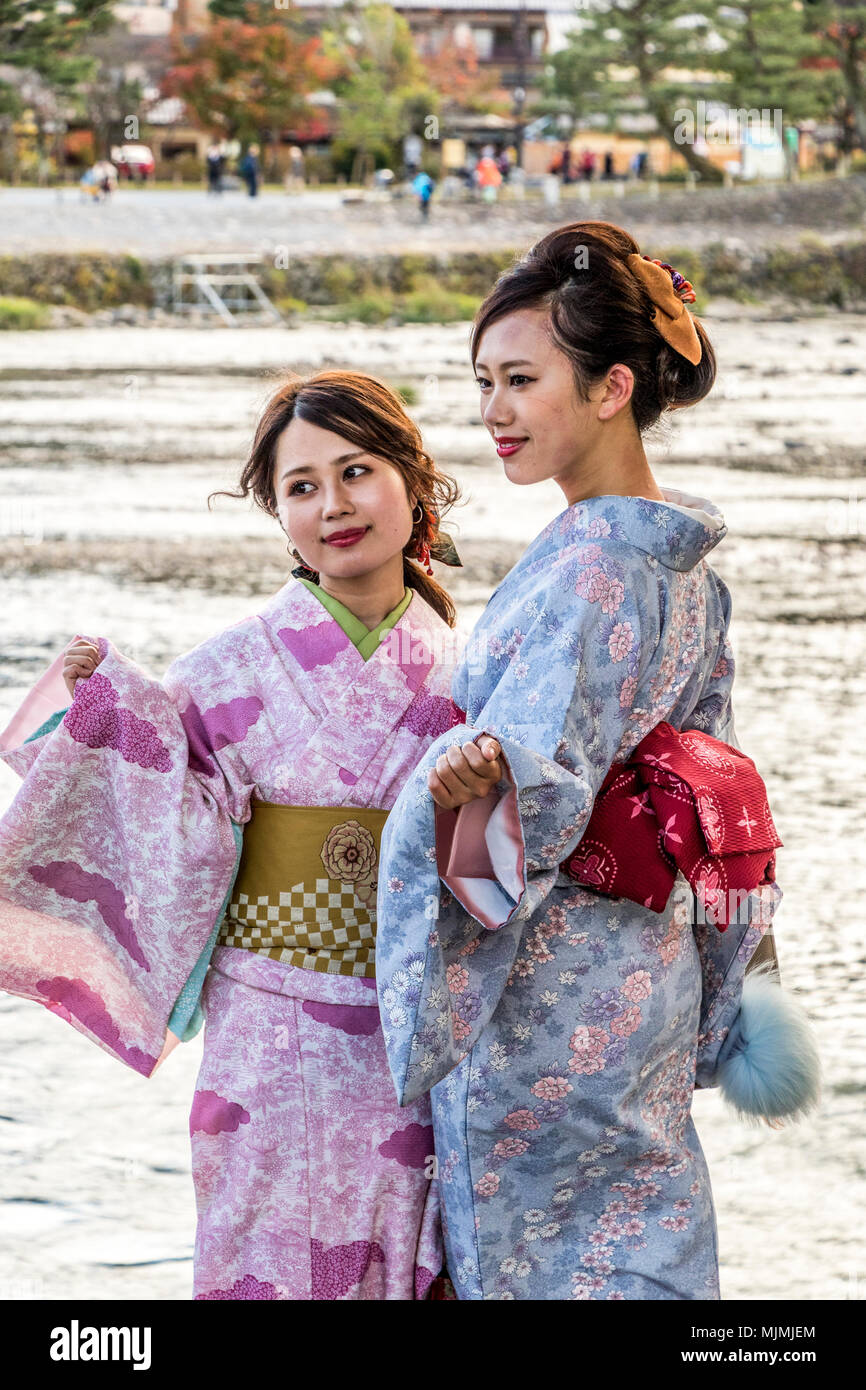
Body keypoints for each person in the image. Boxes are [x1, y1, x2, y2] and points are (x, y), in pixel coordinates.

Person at [374, 221, 821, 1300]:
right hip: (645, 975)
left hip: (548, 996)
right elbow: (710, 781)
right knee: (643, 1254)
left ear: (612, 385)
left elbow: (530, 797)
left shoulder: (590, 572)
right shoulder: (681, 566)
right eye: (482, 380)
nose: (492, 412)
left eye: (521, 380)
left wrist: (445, 813)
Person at [0, 369, 468, 1301]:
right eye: (301, 487)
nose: (333, 506)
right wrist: (106, 709)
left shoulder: (477, 670)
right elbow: (156, 821)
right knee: (260, 1263)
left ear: (414, 481)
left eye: (357, 472)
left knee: (414, 1260)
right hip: (267, 1030)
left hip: (417, 1029)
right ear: (276, 512)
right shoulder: (221, 673)